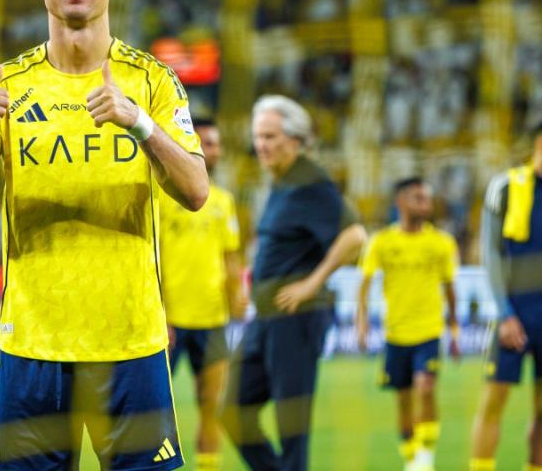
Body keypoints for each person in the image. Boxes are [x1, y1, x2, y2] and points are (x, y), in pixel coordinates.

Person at [0, 0, 209, 471]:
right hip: (35, 346)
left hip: (130, 344)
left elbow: (197, 191)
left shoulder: (151, 80)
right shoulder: (6, 83)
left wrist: (140, 126)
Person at [221, 95, 366, 471]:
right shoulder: (281, 181)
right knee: (232, 411)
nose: (261, 145)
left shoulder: (310, 180)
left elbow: (355, 237)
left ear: (297, 139)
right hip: (266, 317)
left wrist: (311, 284)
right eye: (258, 137)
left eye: (270, 136)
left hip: (296, 317)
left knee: (291, 429)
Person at [355, 177, 460, 471]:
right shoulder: (382, 242)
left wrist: (454, 330)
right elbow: (363, 287)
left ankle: (425, 458)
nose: (425, 203)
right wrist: (361, 324)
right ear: (400, 202)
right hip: (395, 335)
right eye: (418, 198)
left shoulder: (442, 243)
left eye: (427, 197)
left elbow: (451, 290)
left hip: (428, 332)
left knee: (425, 388)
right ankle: (410, 455)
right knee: (402, 400)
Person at [160, 118, 245, 471]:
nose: (215, 151)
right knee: (155, 407)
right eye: (208, 143)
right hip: (170, 321)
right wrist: (158, 311)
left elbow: (231, 257)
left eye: (217, 144)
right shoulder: (162, 196)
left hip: (212, 319)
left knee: (212, 402)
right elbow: (150, 257)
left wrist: (237, 295)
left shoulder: (224, 202)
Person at [471, 120, 542, 471]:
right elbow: (491, 253)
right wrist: (504, 313)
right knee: (494, 399)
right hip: (515, 312)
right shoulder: (506, 187)